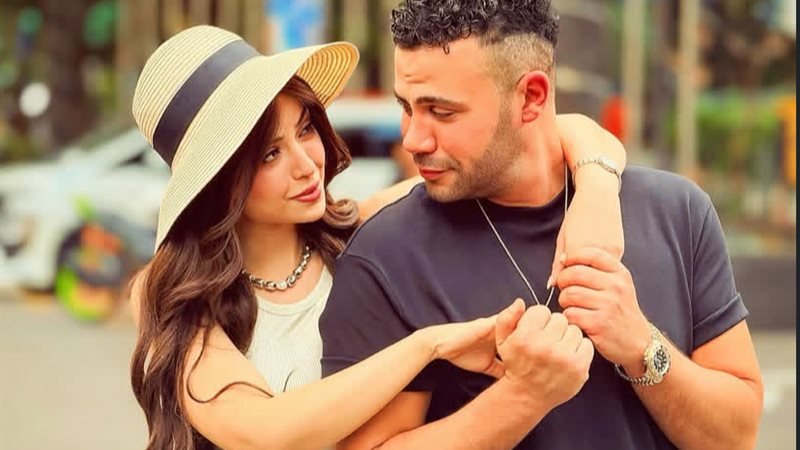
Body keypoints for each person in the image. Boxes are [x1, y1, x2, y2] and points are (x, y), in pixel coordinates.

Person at [128, 25, 628, 450]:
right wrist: (428, 345)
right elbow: (266, 433)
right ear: (217, 182)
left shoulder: (358, 234)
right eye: (270, 155)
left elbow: (541, 133)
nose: (307, 165)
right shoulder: (171, 295)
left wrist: (598, 191)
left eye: (305, 130)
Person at [320, 2, 764, 449]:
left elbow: (737, 437)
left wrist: (642, 347)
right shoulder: (384, 254)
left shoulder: (676, 210)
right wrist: (522, 397)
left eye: (441, 111)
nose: (413, 139)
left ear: (532, 97)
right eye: (407, 106)